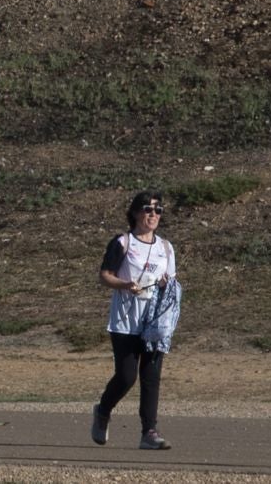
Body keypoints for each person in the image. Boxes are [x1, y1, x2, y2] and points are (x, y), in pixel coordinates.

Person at [92, 191, 177, 452]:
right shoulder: (123, 242)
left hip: (154, 322)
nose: (153, 214)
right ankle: (103, 409)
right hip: (126, 320)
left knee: (151, 377)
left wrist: (165, 285)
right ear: (135, 212)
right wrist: (125, 285)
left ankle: (149, 432)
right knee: (127, 376)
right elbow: (105, 276)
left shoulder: (166, 247)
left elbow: (172, 282)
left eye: (158, 210)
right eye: (147, 209)